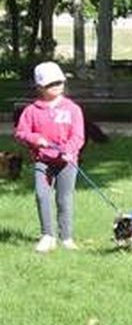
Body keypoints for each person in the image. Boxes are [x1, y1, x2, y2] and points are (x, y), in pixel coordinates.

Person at [13, 61, 85, 252]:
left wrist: (70, 150)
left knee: (64, 198)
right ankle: (47, 235)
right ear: (40, 87)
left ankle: (66, 237)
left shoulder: (73, 109)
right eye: (51, 84)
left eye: (59, 82)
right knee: (42, 195)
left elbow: (78, 136)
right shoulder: (31, 111)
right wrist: (36, 139)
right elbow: (21, 132)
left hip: (67, 163)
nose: (57, 87)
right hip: (42, 161)